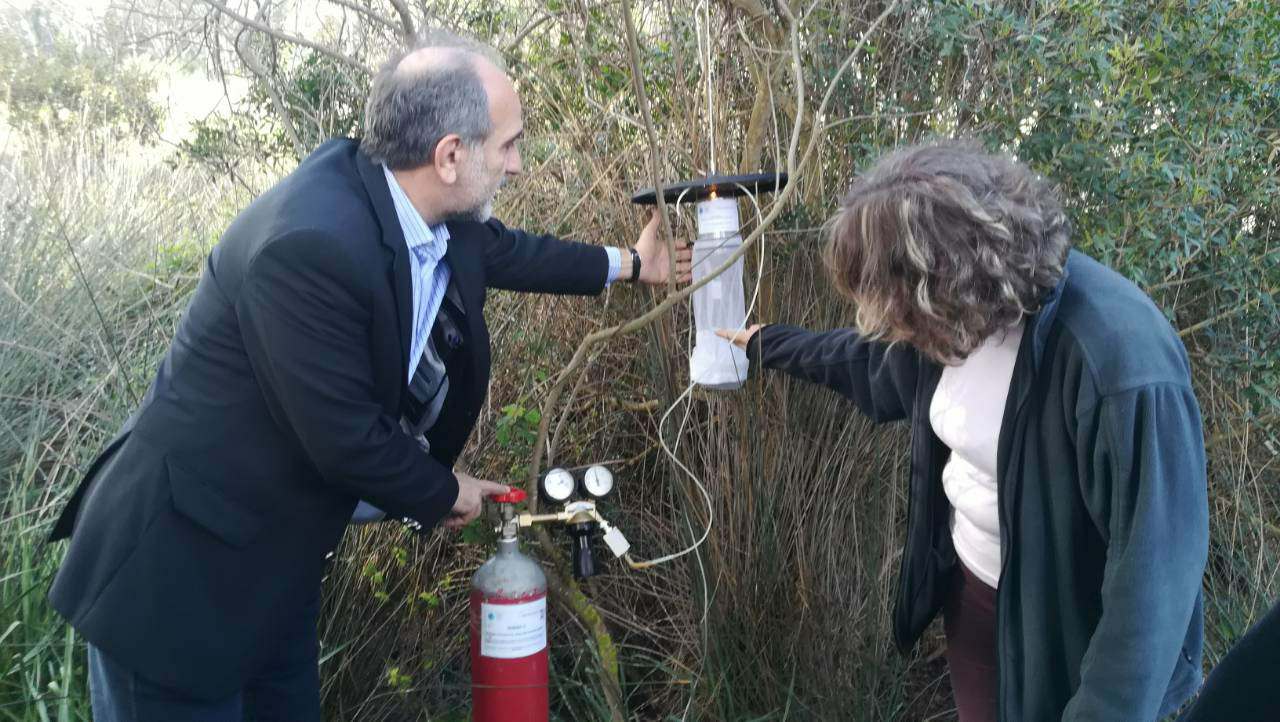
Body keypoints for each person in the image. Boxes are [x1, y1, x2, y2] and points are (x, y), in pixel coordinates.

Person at [46, 32, 690, 721]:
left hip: (275, 570)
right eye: (507, 145)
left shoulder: (418, 203)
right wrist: (445, 491)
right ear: (449, 155)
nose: (518, 165)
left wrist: (631, 262)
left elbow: (510, 254)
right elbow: (343, 436)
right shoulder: (307, 246)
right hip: (178, 583)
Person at [719, 141, 1209, 721]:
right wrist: (769, 343)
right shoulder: (952, 320)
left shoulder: (1118, 362)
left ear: (947, 271)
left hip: (1067, 629)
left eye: (892, 297)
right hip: (974, 596)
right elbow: (866, 361)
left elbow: (1151, 582)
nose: (887, 318)